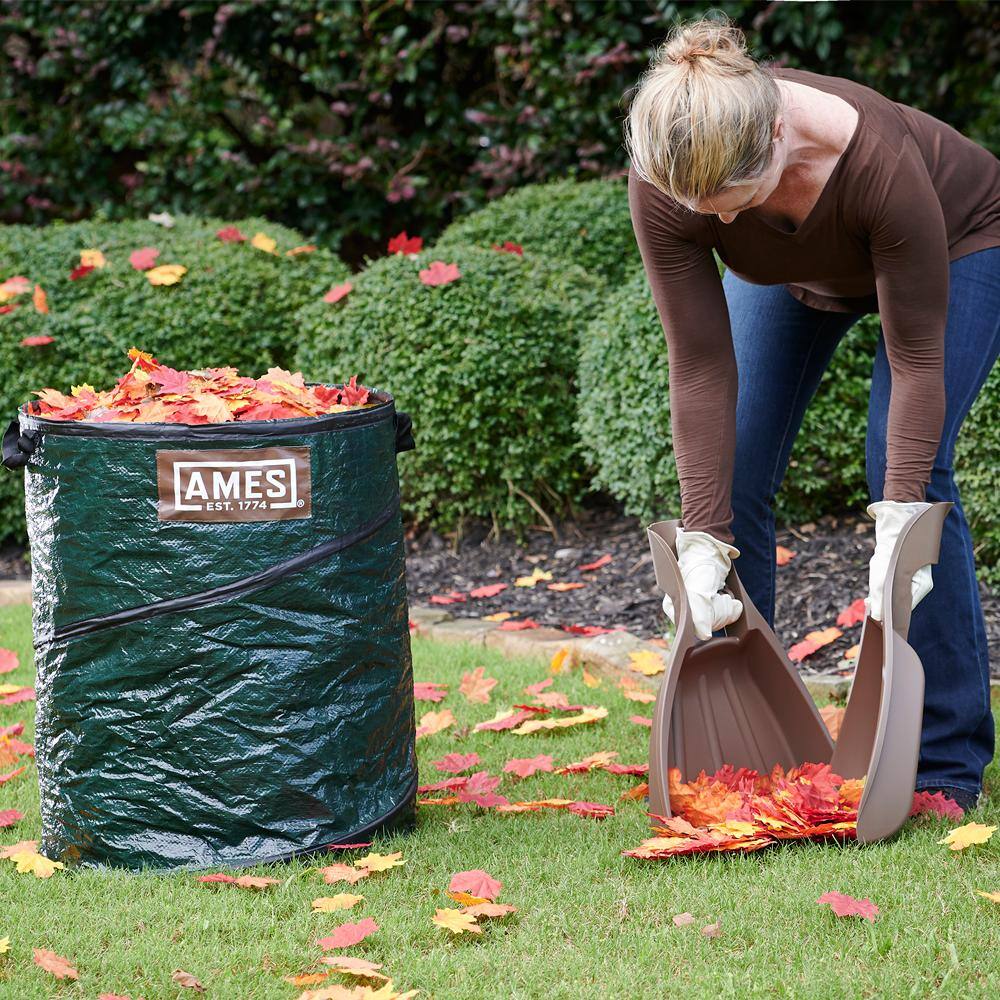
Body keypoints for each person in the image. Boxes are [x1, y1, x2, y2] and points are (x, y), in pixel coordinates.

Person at [624, 15, 1000, 812]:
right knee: (738, 466)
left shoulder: (879, 164)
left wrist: (900, 523)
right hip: (804, 274)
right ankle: (753, 745)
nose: (718, 225)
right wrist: (700, 541)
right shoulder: (672, 175)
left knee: (911, 472)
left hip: (965, 237)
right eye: (700, 207)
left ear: (776, 139)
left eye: (729, 203)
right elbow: (698, 363)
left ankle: (945, 757)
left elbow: (917, 356)